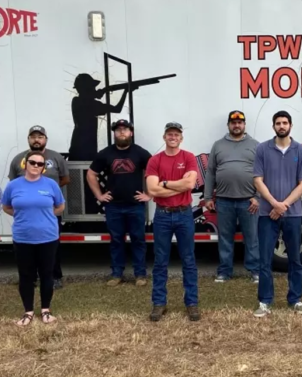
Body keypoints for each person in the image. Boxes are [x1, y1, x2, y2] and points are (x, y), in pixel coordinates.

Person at [252, 111, 302, 318]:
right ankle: (265, 302)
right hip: (266, 214)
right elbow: (258, 181)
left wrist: (283, 205)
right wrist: (274, 204)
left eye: (285, 123)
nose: (281, 126)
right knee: (265, 259)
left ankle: (295, 299)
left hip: (292, 214)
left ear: (291, 126)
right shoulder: (262, 149)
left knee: (295, 258)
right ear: (273, 126)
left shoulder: (301, 151)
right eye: (278, 123)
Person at [144, 122, 200, 322]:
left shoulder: (188, 157)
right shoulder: (155, 160)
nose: (173, 137)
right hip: (163, 215)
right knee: (160, 261)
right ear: (164, 137)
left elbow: (190, 184)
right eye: (170, 134)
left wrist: (165, 183)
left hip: (184, 214)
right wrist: (179, 186)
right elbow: (152, 190)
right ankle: (159, 303)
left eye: (176, 134)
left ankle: (191, 303)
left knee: (189, 260)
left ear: (181, 138)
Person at [2, 152, 66, 326]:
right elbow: (6, 206)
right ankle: (28, 312)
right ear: (25, 164)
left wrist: (45, 215)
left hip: (48, 237)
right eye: (33, 162)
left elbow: (60, 206)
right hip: (23, 238)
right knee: (26, 276)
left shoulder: (51, 184)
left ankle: (46, 310)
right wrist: (23, 215)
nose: (36, 166)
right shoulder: (14, 186)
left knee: (47, 275)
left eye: (40, 164)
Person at [87, 119, 152, 287]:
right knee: (116, 240)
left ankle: (140, 275)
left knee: (138, 240)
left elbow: (154, 172)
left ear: (131, 133)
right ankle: (117, 274)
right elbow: (91, 174)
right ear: (114, 133)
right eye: (118, 130)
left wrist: (149, 194)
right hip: (113, 206)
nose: (122, 132)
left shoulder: (140, 153)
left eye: (125, 130)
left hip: (135, 205)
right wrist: (99, 196)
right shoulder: (105, 153)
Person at [8, 125, 70, 289]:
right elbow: (13, 183)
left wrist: (49, 194)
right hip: (26, 214)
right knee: (27, 248)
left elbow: (65, 179)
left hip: (49, 212)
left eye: (40, 137)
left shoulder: (56, 157)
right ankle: (31, 278)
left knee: (52, 246)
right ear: (28, 139)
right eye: (33, 137)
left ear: (45, 139)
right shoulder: (18, 159)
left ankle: (55, 276)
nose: (37, 140)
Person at [204, 110, 260, 283]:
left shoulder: (255, 145)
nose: (237, 125)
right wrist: (208, 197)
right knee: (225, 238)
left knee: (252, 238)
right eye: (233, 122)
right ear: (228, 125)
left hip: (248, 201)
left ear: (244, 125)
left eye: (240, 122)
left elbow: (262, 173)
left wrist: (258, 196)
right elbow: (211, 172)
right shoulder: (218, 145)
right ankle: (224, 272)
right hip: (223, 200)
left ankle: (255, 271)